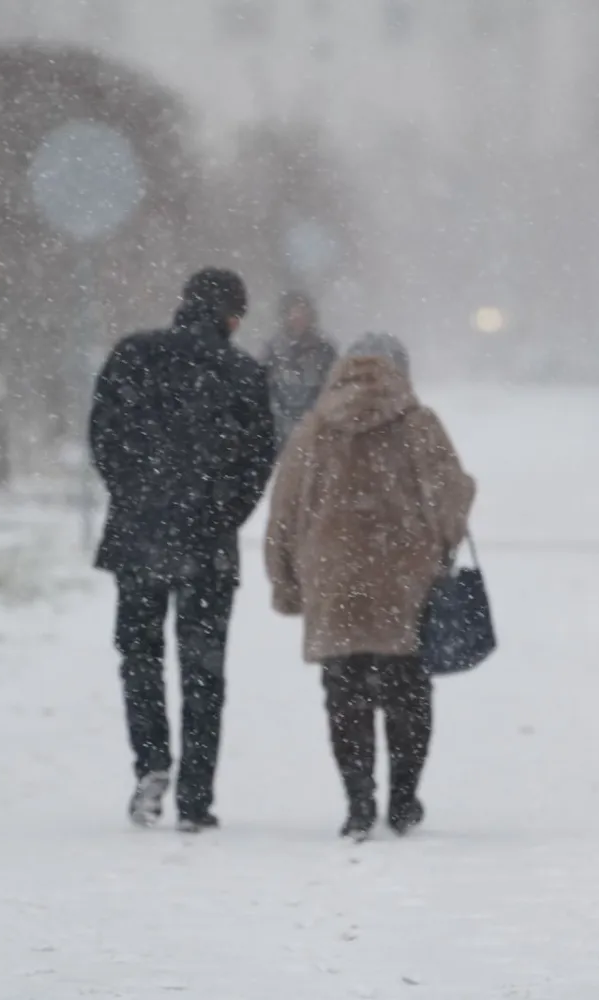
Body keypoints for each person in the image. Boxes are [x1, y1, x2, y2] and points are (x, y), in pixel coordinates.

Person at [264, 333, 475, 841]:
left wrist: (286, 581)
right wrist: (442, 545)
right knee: (408, 693)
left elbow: (284, 514)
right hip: (405, 580)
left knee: (344, 694)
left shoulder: (313, 430)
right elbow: (452, 498)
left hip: (333, 580)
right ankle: (403, 800)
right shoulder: (419, 425)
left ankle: (359, 801)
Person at [89, 267, 276, 831]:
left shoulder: (132, 355)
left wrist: (134, 495)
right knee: (204, 670)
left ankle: (151, 764)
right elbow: (258, 462)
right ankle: (196, 796)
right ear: (233, 316)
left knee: (139, 658)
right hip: (208, 546)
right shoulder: (242, 373)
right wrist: (221, 515)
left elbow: (103, 438)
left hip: (139, 537)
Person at [261, 289, 339, 447]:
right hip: (279, 428)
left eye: (302, 311)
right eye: (293, 311)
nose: (298, 317)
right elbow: (263, 387)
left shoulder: (324, 350)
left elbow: (333, 387)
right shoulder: (273, 349)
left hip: (316, 429)